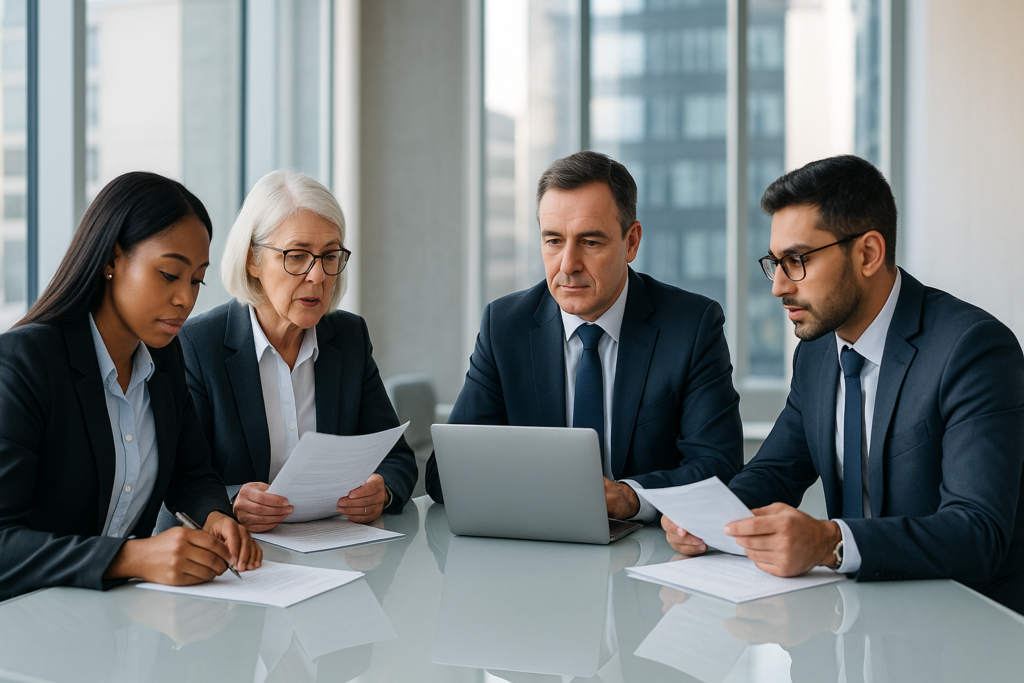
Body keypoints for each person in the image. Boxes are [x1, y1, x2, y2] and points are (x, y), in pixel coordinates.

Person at [663, 154, 1024, 613]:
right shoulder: (815, 353)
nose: (778, 287)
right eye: (775, 263)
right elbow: (777, 470)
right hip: (855, 617)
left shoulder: (971, 348)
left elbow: (978, 533)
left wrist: (829, 542)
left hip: (965, 623)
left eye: (797, 260)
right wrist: (710, 517)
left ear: (868, 254)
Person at [426, 150, 743, 521]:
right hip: (537, 548)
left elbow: (719, 466)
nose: (568, 265)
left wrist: (631, 498)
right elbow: (444, 475)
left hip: (651, 554)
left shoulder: (691, 325)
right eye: (554, 241)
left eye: (590, 242)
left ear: (631, 242)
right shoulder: (505, 325)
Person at [0, 171, 261, 601]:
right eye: (168, 274)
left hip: (114, 625)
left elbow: (191, 472)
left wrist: (214, 516)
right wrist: (131, 557)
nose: (187, 299)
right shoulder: (25, 363)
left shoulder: (164, 357)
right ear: (110, 260)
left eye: (196, 280)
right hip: (25, 638)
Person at [179, 169, 417, 532]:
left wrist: (381, 491)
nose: (317, 276)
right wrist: (228, 503)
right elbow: (178, 484)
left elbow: (396, 457)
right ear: (252, 260)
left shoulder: (349, 337)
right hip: (243, 562)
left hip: (339, 552)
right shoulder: (198, 346)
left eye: (330, 256)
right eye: (296, 256)